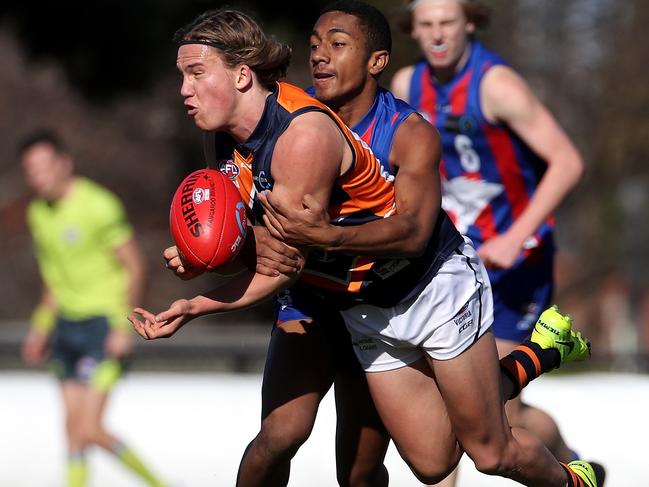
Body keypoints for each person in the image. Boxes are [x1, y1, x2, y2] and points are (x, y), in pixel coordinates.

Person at [129, 7, 598, 487]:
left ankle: (572, 472)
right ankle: (527, 362)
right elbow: (270, 247)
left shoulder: (351, 133)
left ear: (376, 61)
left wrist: (203, 298)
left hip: (428, 287)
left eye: (336, 44)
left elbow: (406, 237)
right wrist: (211, 253)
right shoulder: (232, 132)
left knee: (486, 452)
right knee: (413, 460)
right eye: (314, 46)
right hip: (348, 300)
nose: (320, 57)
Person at [389, 0, 605, 484]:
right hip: (450, 259)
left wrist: (514, 235)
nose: (437, 34)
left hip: (515, 261)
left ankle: (570, 463)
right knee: (449, 407)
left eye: (447, 23)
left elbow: (567, 162)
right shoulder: (407, 85)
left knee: (495, 407)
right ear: (414, 30)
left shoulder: (497, 85)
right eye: (426, 25)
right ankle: (578, 468)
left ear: (469, 22)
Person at [19, 130, 166, 487]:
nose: (37, 176)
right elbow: (54, 279)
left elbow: (135, 266)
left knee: (90, 428)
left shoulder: (98, 205)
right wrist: (40, 327)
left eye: (44, 166)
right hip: (66, 327)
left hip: (102, 326)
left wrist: (121, 325)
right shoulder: (38, 213)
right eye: (30, 170)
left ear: (64, 163)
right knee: (72, 429)